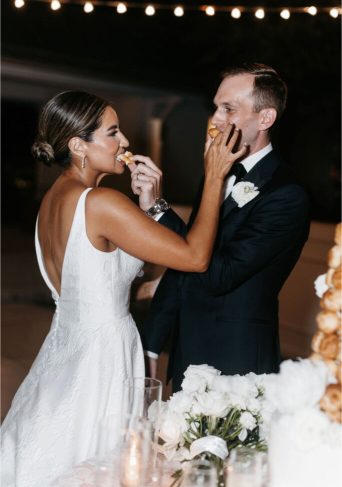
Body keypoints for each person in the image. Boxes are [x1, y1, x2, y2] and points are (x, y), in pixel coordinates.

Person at [1, 90, 246, 487]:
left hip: (65, 352)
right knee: (101, 462)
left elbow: (99, 285)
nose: (125, 142)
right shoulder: (101, 202)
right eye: (113, 133)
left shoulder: (52, 200)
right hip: (103, 359)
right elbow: (196, 257)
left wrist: (151, 211)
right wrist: (215, 176)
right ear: (79, 145)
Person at [137, 63, 311, 393]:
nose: (216, 119)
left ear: (265, 119)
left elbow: (218, 273)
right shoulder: (217, 173)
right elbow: (184, 264)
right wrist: (152, 341)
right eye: (216, 107)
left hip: (236, 365)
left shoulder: (287, 194)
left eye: (228, 108)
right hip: (187, 350)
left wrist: (158, 210)